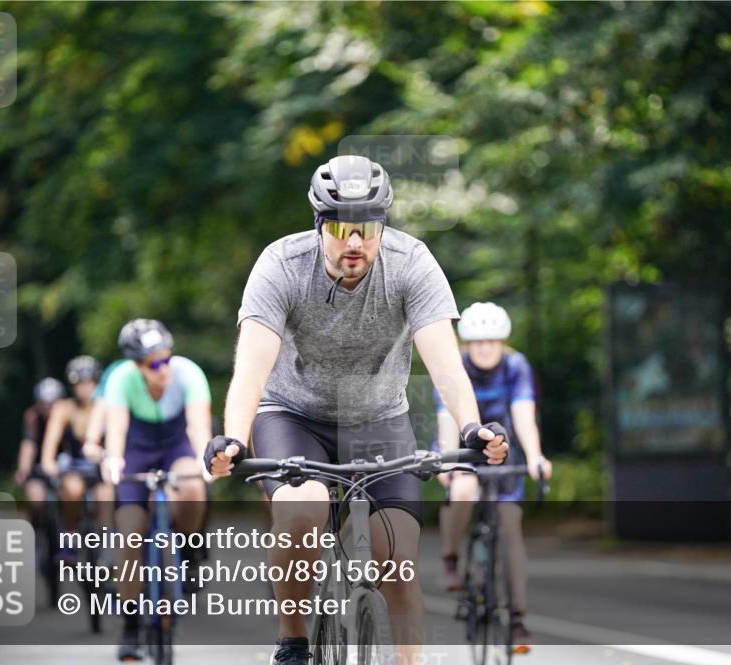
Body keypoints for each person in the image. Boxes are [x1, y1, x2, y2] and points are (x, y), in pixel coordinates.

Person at [204, 155, 509, 665]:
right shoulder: (280, 265)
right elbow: (251, 370)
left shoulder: (411, 264)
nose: (354, 243)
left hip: (378, 418)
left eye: (366, 229)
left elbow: (446, 366)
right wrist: (233, 438)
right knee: (302, 508)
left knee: (398, 560)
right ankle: (294, 641)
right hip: (293, 415)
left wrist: (472, 428)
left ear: (381, 226)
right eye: (342, 228)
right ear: (320, 225)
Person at [434, 302, 553, 648]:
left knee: (511, 526)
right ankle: (451, 556)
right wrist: (445, 461)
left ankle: (517, 618)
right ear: (466, 344)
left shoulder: (516, 366)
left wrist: (535, 457)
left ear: (503, 342)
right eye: (477, 341)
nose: (485, 348)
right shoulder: (454, 367)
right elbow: (445, 418)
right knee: (463, 492)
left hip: (503, 450)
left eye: (492, 341)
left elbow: (523, 415)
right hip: (461, 444)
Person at [101, 319, 213, 662]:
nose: (163, 368)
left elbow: (198, 426)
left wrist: (204, 458)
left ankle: (190, 549)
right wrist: (114, 459)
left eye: (166, 359)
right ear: (137, 364)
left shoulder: (188, 373)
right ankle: (131, 624)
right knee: (130, 532)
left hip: (176, 445)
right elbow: (116, 430)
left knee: (193, 487)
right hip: (138, 449)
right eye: (154, 364)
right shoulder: (121, 378)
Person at [40, 356, 115, 559]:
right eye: (79, 384)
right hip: (74, 468)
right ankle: (70, 536)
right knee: (72, 490)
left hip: (101, 467)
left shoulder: (107, 406)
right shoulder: (64, 409)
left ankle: (107, 546)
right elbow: (50, 443)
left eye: (89, 383)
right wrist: (49, 464)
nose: (85, 388)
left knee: (107, 494)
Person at [15, 377, 65, 524]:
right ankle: (35, 533)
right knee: (37, 500)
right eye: (47, 404)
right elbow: (28, 445)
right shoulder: (33, 417)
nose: (50, 408)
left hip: (64, 468)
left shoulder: (68, 414)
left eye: (54, 403)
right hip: (38, 470)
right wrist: (23, 469)